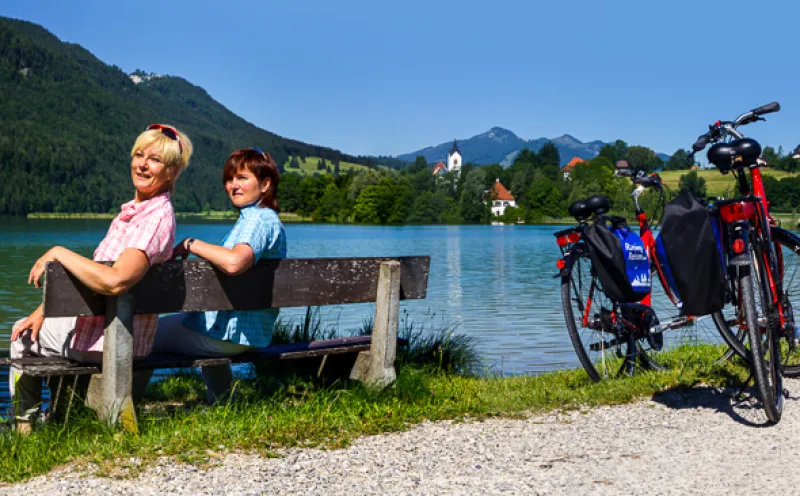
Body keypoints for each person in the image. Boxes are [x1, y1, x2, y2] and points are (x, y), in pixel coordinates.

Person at [10, 124, 193, 427]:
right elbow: (93, 277)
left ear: (172, 172)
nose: (143, 164)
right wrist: (43, 311)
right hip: (105, 331)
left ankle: (26, 430)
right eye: (138, 155)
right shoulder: (134, 214)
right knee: (32, 324)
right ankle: (60, 418)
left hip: (111, 341)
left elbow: (115, 280)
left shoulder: (153, 219)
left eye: (155, 160)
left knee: (20, 335)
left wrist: (58, 251)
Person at [150, 147, 286, 403]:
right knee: (199, 321)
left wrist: (191, 243)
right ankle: (223, 404)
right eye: (229, 179)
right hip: (249, 331)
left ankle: (121, 413)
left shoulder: (258, 220)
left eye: (242, 178)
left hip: (233, 335)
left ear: (265, 184)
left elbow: (235, 263)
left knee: (143, 336)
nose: (233, 185)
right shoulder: (262, 219)